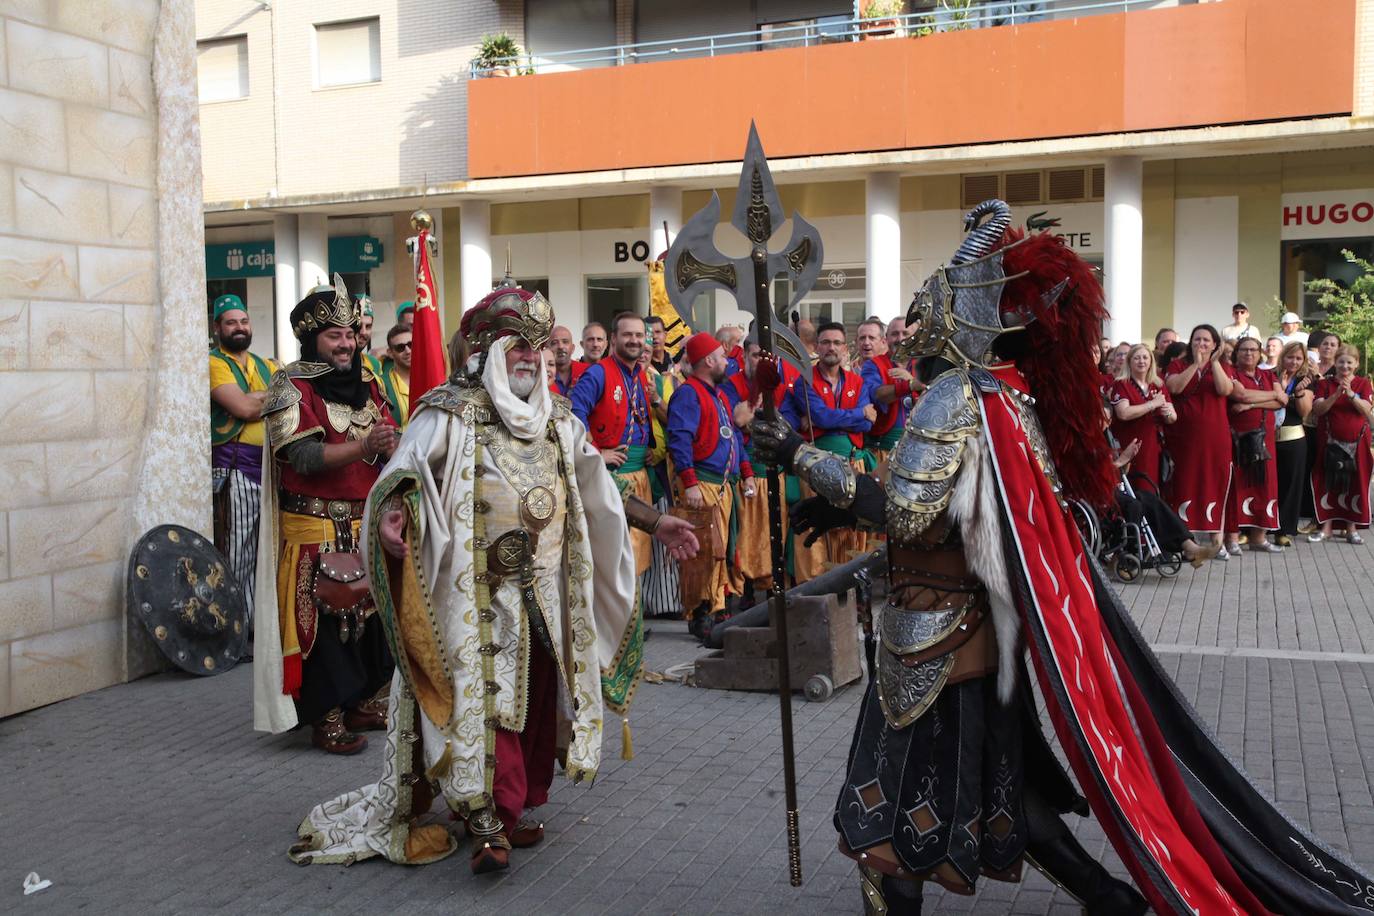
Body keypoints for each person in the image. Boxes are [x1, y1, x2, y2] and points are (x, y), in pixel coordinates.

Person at [753, 204, 1373, 915]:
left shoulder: (954, 397)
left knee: (895, 815)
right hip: (982, 631)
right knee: (1000, 784)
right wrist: (842, 503)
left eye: (926, 308)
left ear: (958, 316)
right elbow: (965, 510)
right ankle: (1107, 895)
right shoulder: (1008, 399)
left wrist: (796, 455)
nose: (910, 325)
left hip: (933, 638)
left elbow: (907, 512)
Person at [288, 285, 699, 873]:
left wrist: (657, 523)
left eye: (538, 347)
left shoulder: (558, 420)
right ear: (486, 351)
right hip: (470, 592)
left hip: (546, 591)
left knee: (534, 701)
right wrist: (395, 517)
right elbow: (403, 474)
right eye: (518, 347)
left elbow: (597, 493)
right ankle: (487, 819)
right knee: (485, 701)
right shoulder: (448, 410)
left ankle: (519, 803)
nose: (532, 357)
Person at [253, 277, 399, 755]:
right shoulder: (287, 384)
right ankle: (326, 715)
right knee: (321, 621)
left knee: (370, 620)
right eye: (334, 335)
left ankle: (359, 702)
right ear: (312, 338)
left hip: (364, 521)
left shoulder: (370, 380)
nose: (345, 343)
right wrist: (364, 445)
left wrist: (392, 449)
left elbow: (383, 444)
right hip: (313, 526)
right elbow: (304, 459)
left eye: (350, 333)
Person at [667, 332, 754, 638]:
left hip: (722, 487)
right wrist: (689, 482)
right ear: (708, 361)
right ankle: (701, 614)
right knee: (703, 553)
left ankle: (719, 609)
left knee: (722, 551)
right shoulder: (688, 394)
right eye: (721, 356)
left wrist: (746, 472)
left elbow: (732, 438)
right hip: (702, 485)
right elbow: (679, 440)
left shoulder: (716, 394)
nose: (727, 361)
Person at [781, 321, 875, 581]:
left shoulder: (858, 381)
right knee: (814, 526)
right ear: (817, 347)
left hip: (852, 464)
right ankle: (810, 589)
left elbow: (868, 423)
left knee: (849, 527)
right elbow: (822, 417)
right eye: (825, 342)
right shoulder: (805, 380)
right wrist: (857, 414)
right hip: (815, 466)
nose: (830, 347)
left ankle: (851, 586)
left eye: (836, 342)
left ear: (845, 348)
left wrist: (831, 419)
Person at [570, 312, 655, 580]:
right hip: (612, 477)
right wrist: (596, 453)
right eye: (628, 335)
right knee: (616, 556)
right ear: (614, 339)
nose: (634, 341)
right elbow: (573, 415)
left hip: (639, 475)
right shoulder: (598, 373)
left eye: (639, 335)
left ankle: (634, 620)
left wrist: (650, 445)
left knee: (637, 553)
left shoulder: (638, 375)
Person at [209, 294, 277, 626]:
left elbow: (288, 399)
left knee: (268, 553)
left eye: (244, 321)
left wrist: (256, 397)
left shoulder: (267, 365)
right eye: (231, 322)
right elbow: (244, 408)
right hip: (235, 469)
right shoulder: (214, 362)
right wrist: (267, 398)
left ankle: (260, 628)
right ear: (217, 328)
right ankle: (238, 629)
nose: (239, 327)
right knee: (238, 554)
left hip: (270, 468)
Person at [1164, 324, 1234, 553]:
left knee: (1216, 481)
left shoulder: (1221, 366)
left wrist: (1213, 362)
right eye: (1197, 340)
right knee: (1186, 481)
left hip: (1216, 436)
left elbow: (1225, 390)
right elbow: (1174, 387)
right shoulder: (1178, 364)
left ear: (1215, 345)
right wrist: (1195, 363)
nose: (1201, 344)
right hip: (1185, 436)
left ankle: (1217, 540)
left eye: (1206, 340)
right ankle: (1187, 537)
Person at [1223, 336, 1286, 554]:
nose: (1248, 354)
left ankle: (1259, 538)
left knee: (1264, 485)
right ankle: (1231, 538)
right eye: (1244, 350)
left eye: (1253, 350)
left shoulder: (1268, 374)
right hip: (1239, 438)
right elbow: (1239, 393)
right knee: (1236, 487)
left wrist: (1249, 404)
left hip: (1265, 438)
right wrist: (1272, 395)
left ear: (1260, 353)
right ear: (1236, 353)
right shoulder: (1231, 372)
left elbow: (1283, 401)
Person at [1309, 344, 1374, 544]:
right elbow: (1318, 409)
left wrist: (1351, 394)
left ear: (1356, 364)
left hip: (1357, 443)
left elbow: (1366, 409)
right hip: (1330, 442)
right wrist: (1336, 394)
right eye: (1341, 362)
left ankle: (1351, 528)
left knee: (1355, 484)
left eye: (1349, 362)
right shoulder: (1325, 384)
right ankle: (1326, 527)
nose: (1344, 366)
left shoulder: (1363, 384)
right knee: (1328, 483)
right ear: (1335, 363)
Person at [1108, 344, 1175, 493]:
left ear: (1151, 361)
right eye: (1136, 358)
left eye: (1145, 357)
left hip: (1153, 446)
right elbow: (1123, 413)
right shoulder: (1122, 384)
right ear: (1130, 362)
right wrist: (1152, 404)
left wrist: (1168, 412)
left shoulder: (1158, 384)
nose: (1141, 361)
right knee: (1135, 489)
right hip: (1130, 445)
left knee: (1152, 489)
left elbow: (1172, 417)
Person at [859, 318, 921, 478]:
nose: (900, 339)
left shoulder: (924, 364)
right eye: (894, 334)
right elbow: (878, 395)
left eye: (905, 333)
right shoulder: (873, 364)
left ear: (916, 336)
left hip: (920, 451)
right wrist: (910, 385)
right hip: (884, 452)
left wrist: (913, 382)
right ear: (886, 339)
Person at [1275, 341, 1316, 545]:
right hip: (1268, 438)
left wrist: (1297, 392)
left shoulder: (1306, 380)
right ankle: (1260, 526)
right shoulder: (1270, 375)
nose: (1294, 361)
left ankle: (1284, 529)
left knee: (1290, 485)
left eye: (1299, 358)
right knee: (1268, 484)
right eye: (1290, 357)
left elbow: (1304, 412)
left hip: (1293, 439)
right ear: (1283, 357)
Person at [378, 324, 413, 429]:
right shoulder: (381, 384)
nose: (408, 351)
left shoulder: (429, 379)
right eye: (400, 348)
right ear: (390, 353)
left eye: (411, 344)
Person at [547, 325, 587, 397]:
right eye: (554, 343)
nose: (560, 346)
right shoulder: (541, 376)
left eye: (565, 342)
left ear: (573, 348)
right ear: (547, 349)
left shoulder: (587, 372)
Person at [356, 295, 383, 378]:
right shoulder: (336, 363)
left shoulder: (374, 364)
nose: (363, 332)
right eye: (358, 326)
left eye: (368, 327)